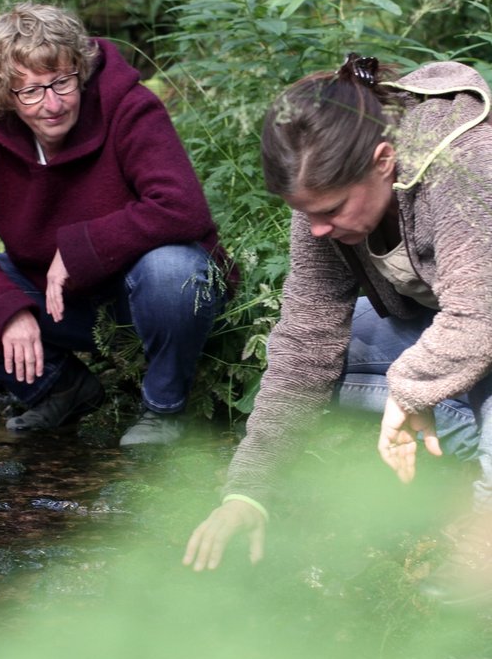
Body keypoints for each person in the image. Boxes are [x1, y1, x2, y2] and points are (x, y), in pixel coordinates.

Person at [184, 53, 492, 605]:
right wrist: (248, 492)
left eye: (331, 211)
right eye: (307, 215)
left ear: (383, 161)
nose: (319, 229)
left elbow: (480, 312)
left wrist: (413, 385)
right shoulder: (318, 210)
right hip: (451, 326)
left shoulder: (467, 163)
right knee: (340, 352)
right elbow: (306, 345)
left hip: (481, 315)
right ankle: (456, 430)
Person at [0, 2, 232, 445]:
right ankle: (62, 388)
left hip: (146, 299)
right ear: (5, 93)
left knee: (173, 268)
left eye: (61, 82)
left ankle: (164, 407)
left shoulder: (129, 106)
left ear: (81, 69)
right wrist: (7, 308)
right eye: (31, 91)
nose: (51, 104)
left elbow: (181, 207)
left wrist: (82, 250)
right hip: (61, 306)